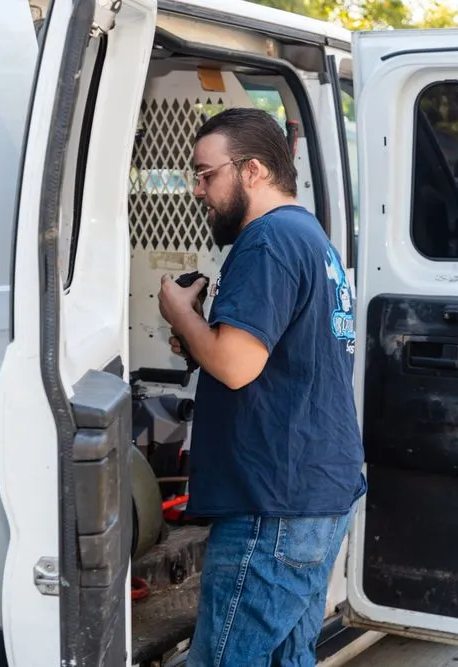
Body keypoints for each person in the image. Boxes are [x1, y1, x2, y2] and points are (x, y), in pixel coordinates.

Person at [157, 107, 367, 667]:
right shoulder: (308, 236)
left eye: (206, 174)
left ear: (251, 171)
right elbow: (273, 357)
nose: (197, 190)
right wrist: (201, 338)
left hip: (273, 505)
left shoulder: (267, 241)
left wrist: (182, 315)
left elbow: (234, 366)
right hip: (313, 493)